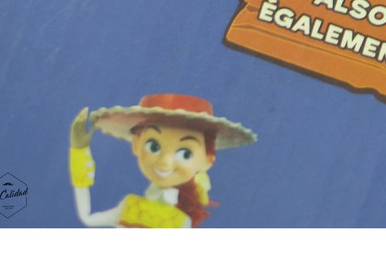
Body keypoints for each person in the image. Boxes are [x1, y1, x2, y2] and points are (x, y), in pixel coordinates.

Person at [69, 93, 257, 227]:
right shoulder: (130, 206)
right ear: (136, 145)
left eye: (185, 154)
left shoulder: (180, 222)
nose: (165, 162)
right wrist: (79, 150)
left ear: (207, 160)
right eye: (153, 146)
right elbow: (88, 218)